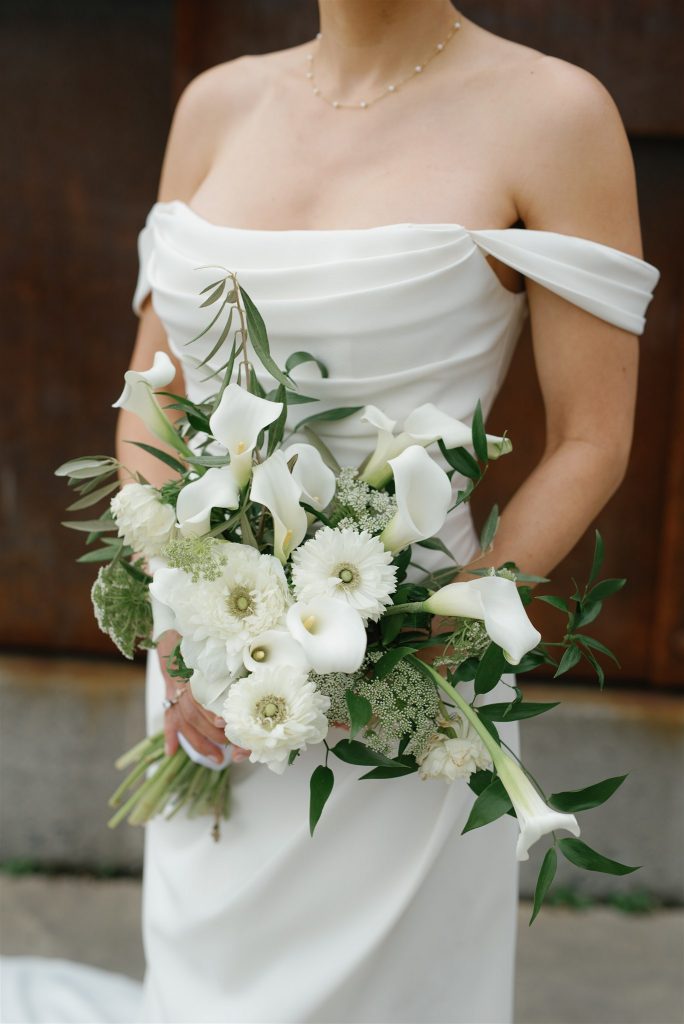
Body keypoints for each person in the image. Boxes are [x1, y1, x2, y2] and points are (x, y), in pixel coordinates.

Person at [0, 2, 660, 1022]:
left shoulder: (555, 115)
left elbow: (590, 441)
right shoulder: (215, 106)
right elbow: (152, 395)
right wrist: (176, 615)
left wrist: (431, 646)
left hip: (409, 684)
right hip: (209, 658)